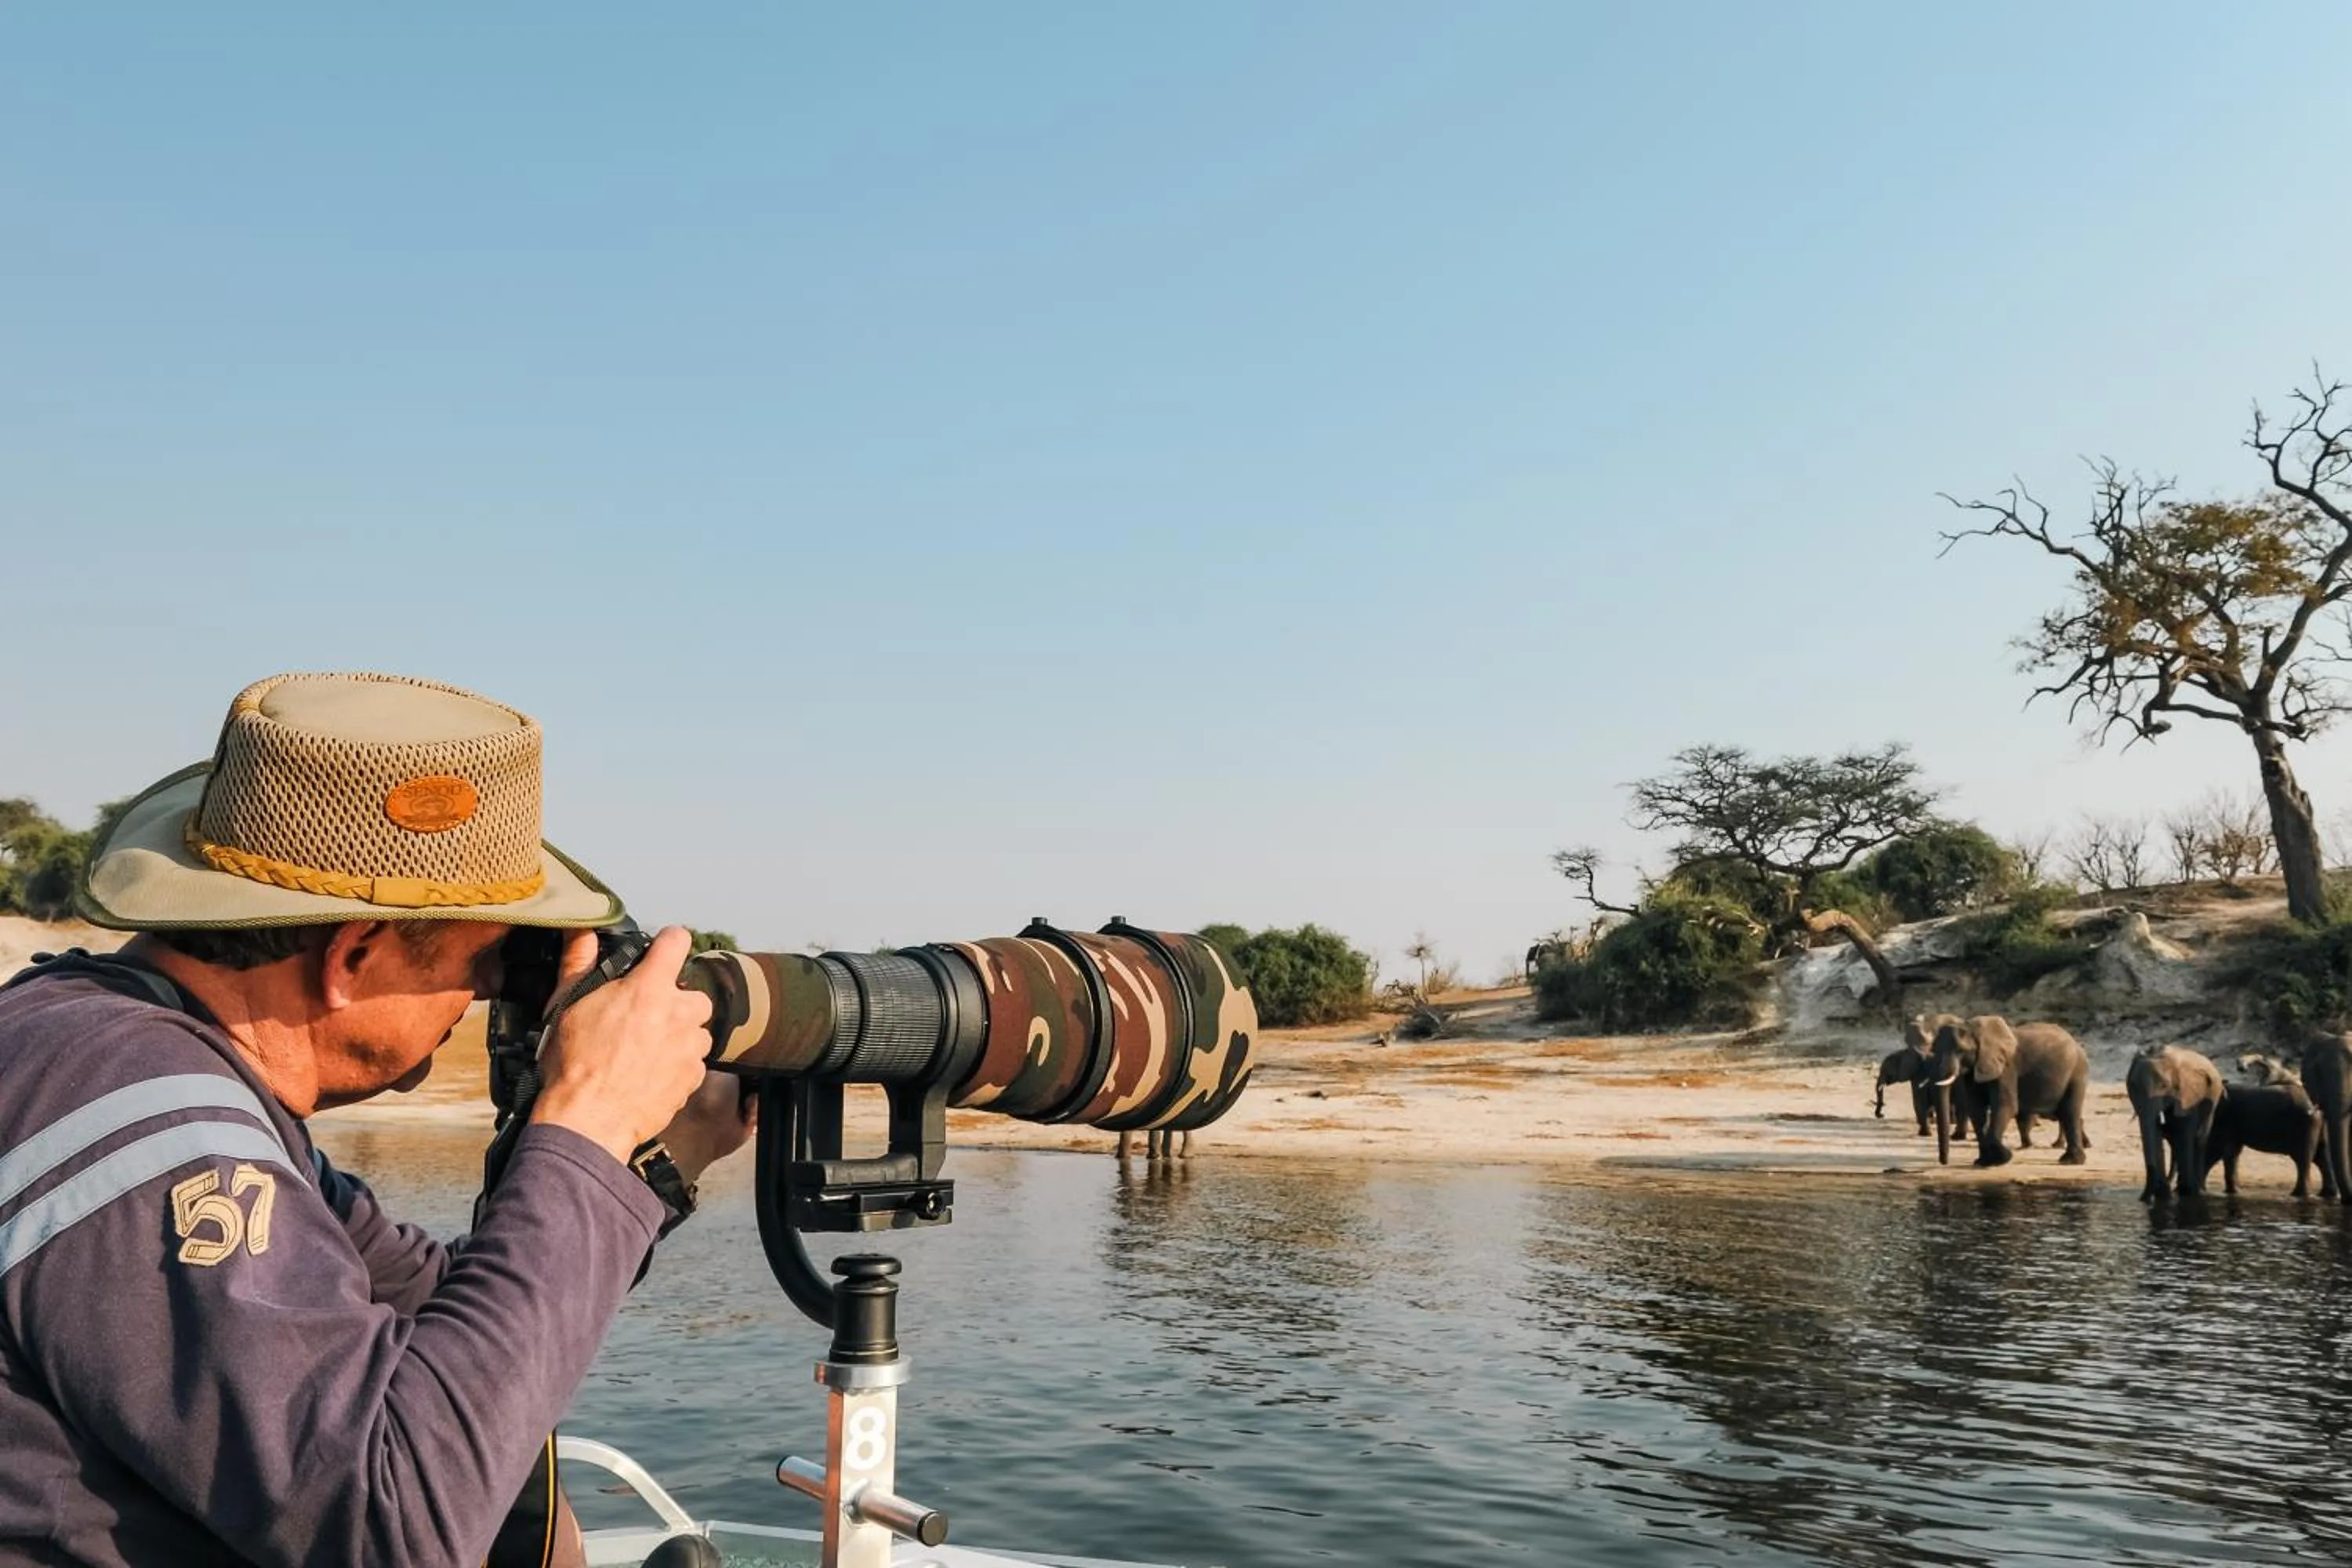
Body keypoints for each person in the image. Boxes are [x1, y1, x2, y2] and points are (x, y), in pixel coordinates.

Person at [0, 671, 751, 1567]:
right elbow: (394, 1521)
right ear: (352, 956)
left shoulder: (96, 1037)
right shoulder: (146, 1111)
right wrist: (587, 1116)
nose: (481, 996)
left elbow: (454, 1314)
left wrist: (658, 1156)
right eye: (485, 961)